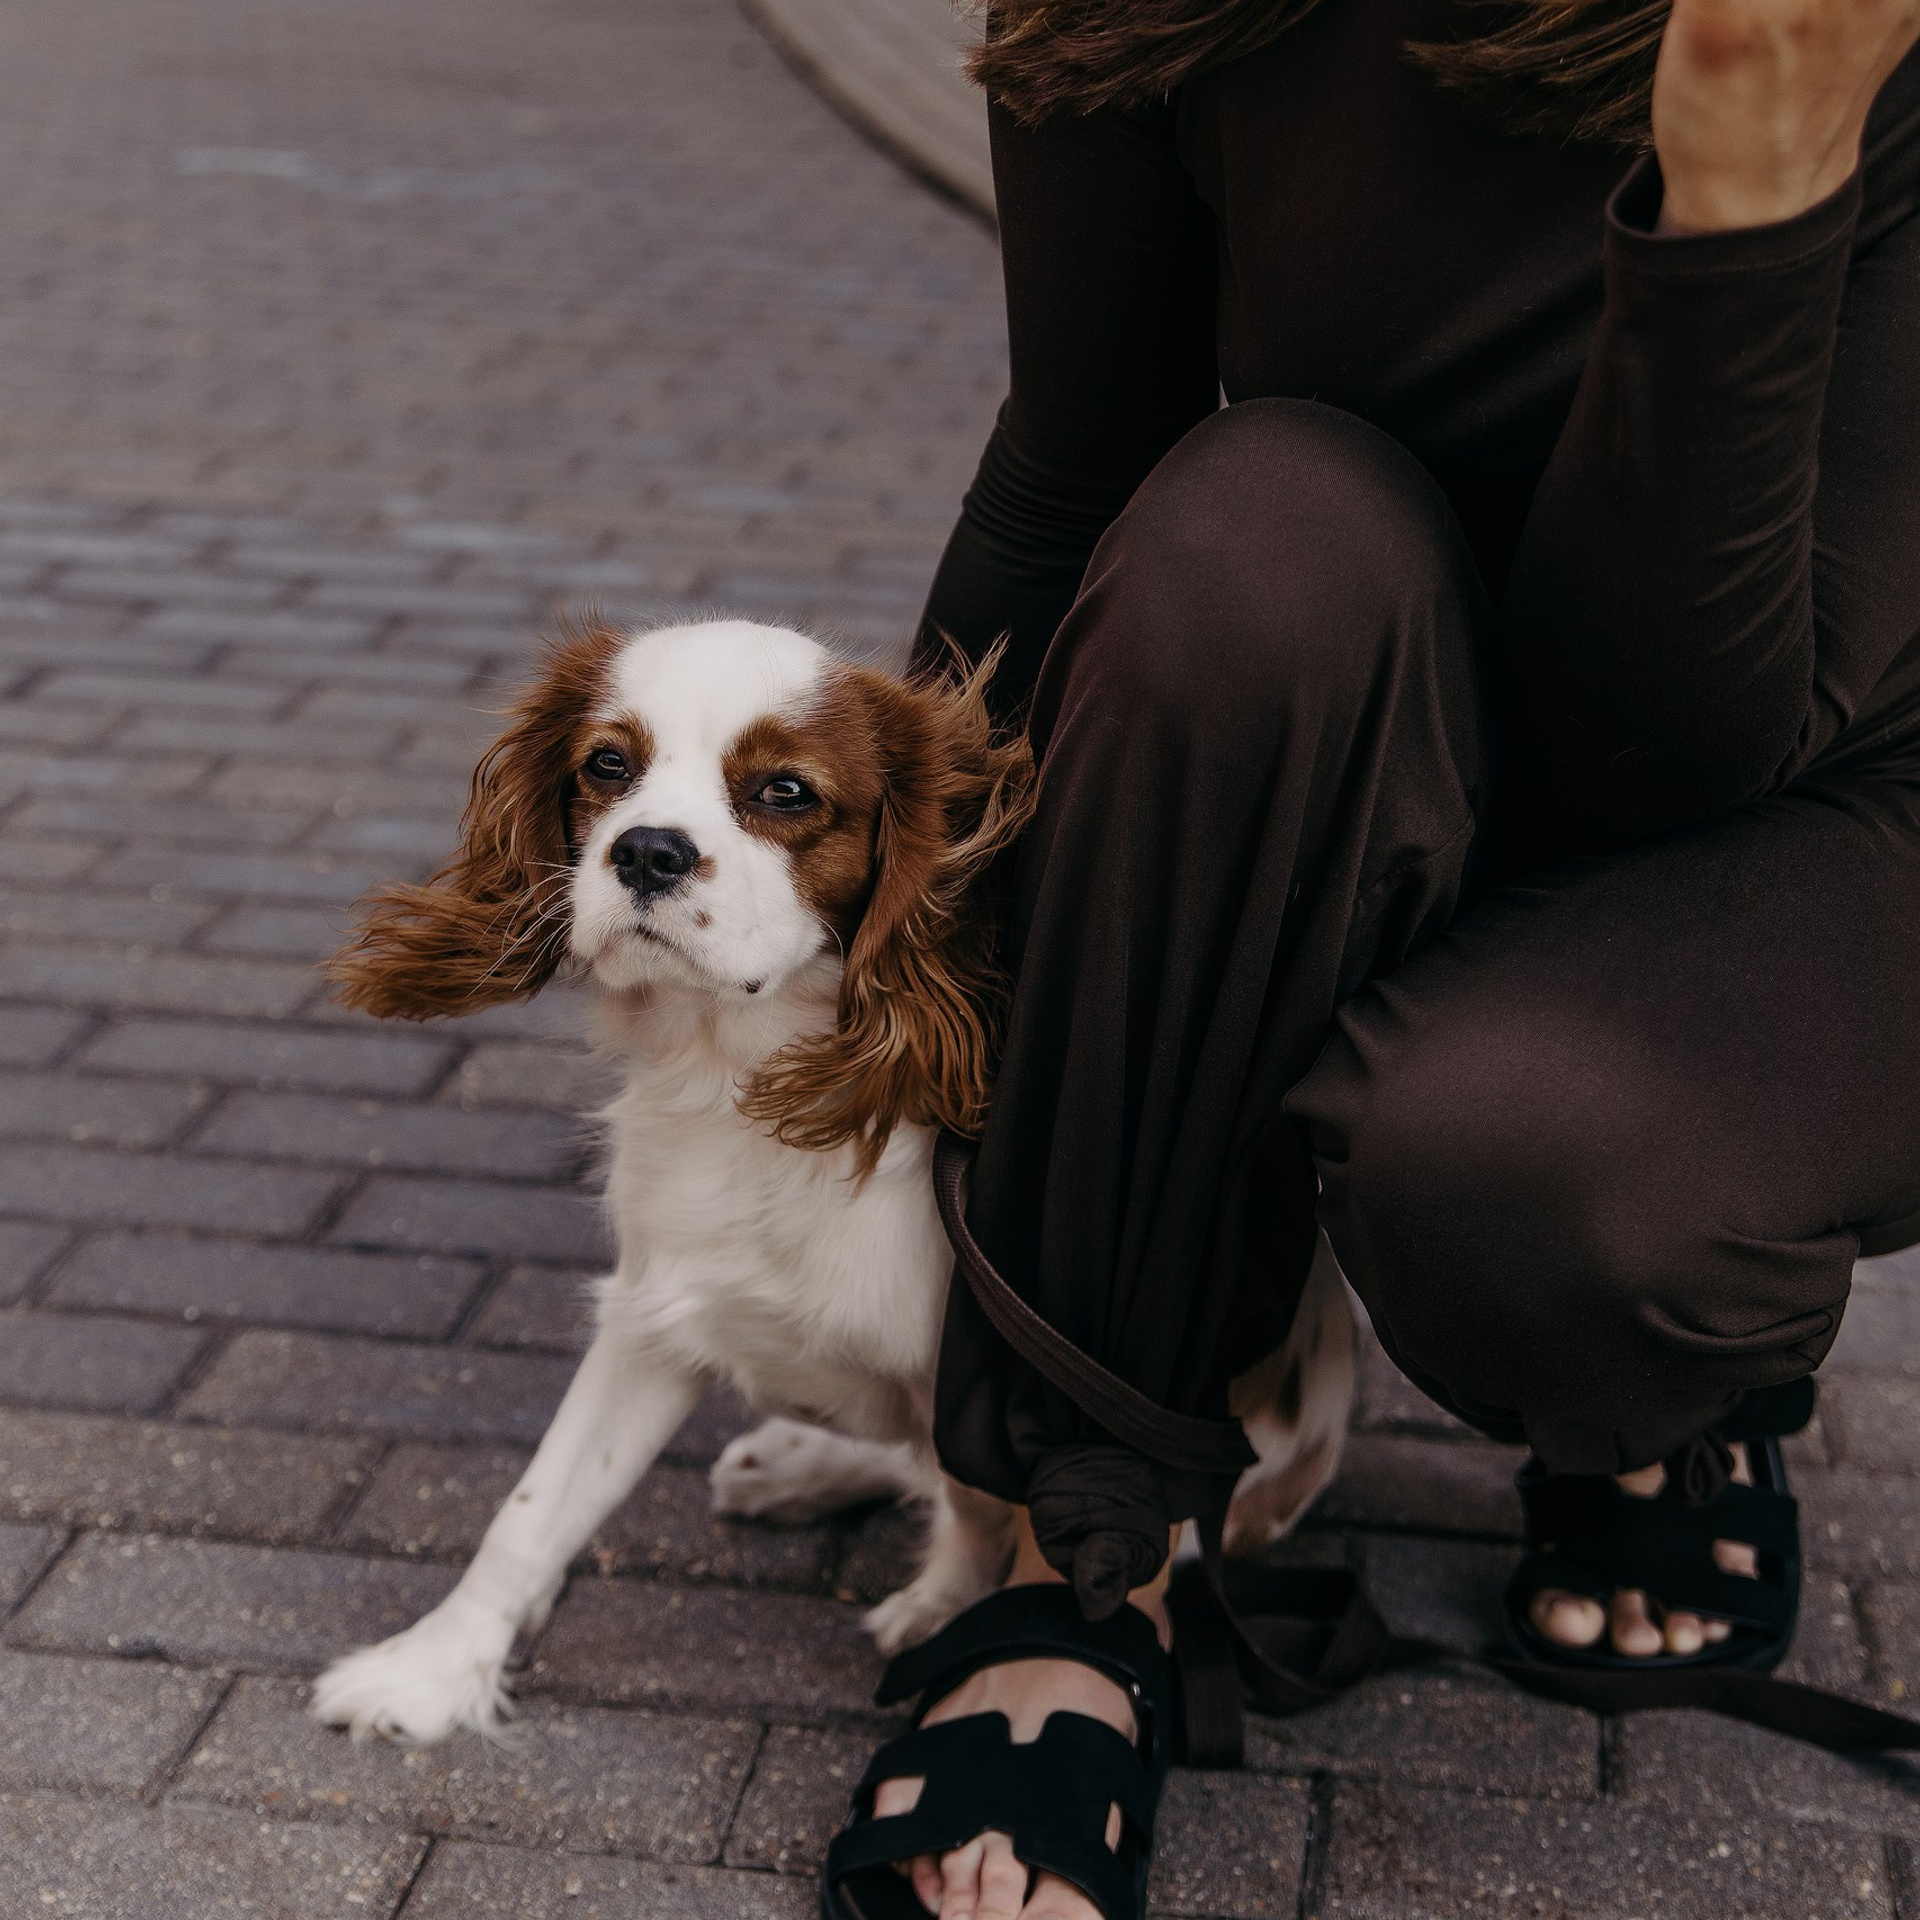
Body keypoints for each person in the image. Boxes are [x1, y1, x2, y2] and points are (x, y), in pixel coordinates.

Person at [817, 0, 1920, 1914]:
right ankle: (1085, 1560)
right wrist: (887, 937)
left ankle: (1675, 1415)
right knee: (1250, 539)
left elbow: (1689, 751)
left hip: (1823, 774)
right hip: (1405, 687)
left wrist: (1748, 173)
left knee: (1528, 1172)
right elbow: (1074, 463)